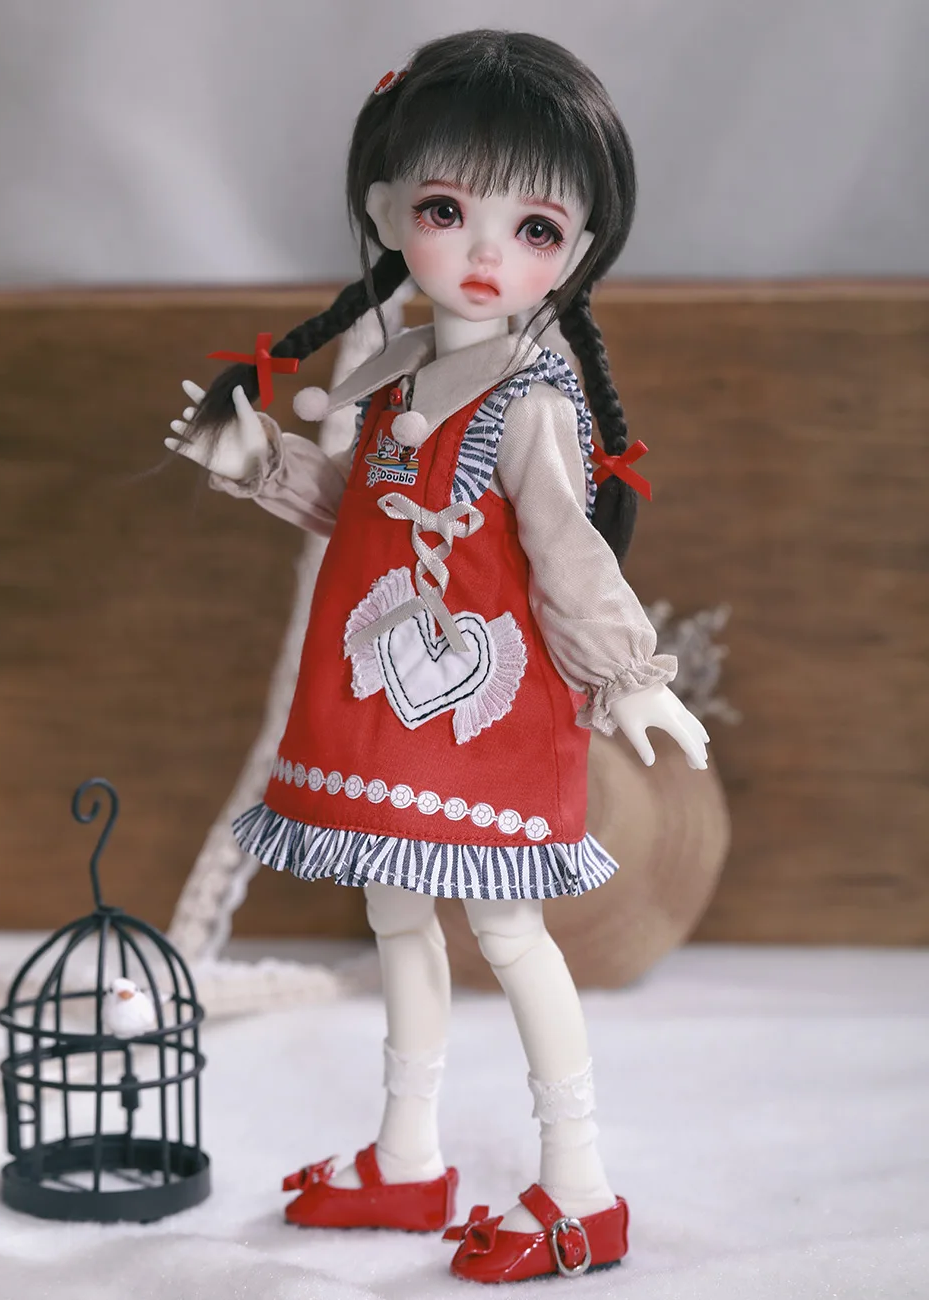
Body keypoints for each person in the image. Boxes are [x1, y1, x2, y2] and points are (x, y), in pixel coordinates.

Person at [167, 29, 709, 1284]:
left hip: (484, 715)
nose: (482, 253)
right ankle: (407, 1153)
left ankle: (580, 1183)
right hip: (382, 700)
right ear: (386, 211)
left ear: (579, 250)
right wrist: (257, 462)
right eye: (447, 210)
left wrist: (633, 678)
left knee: (508, 931)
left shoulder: (532, 399)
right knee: (396, 909)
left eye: (534, 228)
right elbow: (360, 511)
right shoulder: (396, 369)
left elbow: (569, 555)